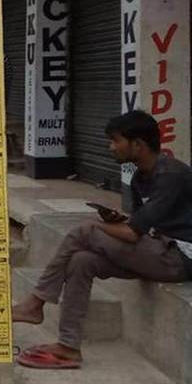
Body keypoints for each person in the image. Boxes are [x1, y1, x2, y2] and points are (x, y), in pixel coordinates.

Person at [11, 111, 192, 370]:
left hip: (182, 257)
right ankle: (69, 347)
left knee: (84, 231)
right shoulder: (141, 177)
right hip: (159, 250)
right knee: (82, 261)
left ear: (137, 144)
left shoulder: (170, 174)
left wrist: (101, 226)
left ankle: (35, 303)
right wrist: (116, 220)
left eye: (115, 141)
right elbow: (138, 224)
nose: (111, 147)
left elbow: (132, 234)